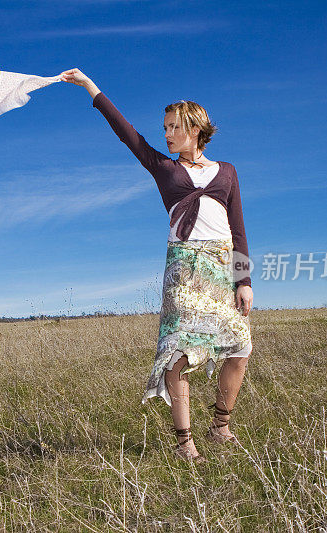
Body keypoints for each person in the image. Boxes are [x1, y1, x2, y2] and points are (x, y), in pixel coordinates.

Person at [60, 68, 254, 463]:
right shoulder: (164, 168)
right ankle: (185, 444)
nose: (167, 134)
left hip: (220, 266)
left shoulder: (228, 172)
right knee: (178, 355)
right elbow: (126, 132)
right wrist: (91, 88)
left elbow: (238, 228)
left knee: (240, 350)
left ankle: (220, 427)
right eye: (164, 127)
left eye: (174, 127)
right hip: (184, 269)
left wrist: (243, 279)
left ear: (196, 128)